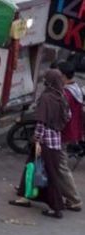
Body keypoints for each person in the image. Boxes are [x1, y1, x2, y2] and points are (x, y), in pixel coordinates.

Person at [9, 69, 71, 219]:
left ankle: (56, 208)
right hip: (55, 140)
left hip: (44, 142)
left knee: (49, 174)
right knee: (30, 167)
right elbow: (68, 116)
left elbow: (41, 123)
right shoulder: (61, 96)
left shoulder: (47, 98)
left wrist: (36, 140)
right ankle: (24, 196)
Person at [57, 61, 83, 212]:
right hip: (69, 132)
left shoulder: (66, 94)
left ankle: (74, 199)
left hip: (61, 134)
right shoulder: (75, 90)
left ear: (63, 76)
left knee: (61, 166)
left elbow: (64, 116)